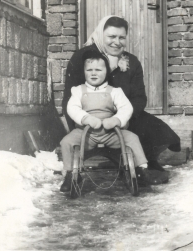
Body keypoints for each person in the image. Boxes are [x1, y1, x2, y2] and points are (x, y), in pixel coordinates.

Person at [62, 15, 181, 173]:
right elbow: (71, 98)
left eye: (121, 37)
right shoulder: (84, 58)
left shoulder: (131, 61)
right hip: (90, 118)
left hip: (122, 117)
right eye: (111, 36)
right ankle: (73, 172)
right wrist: (79, 123)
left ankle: (146, 161)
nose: (116, 42)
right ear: (100, 35)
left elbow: (139, 98)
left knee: (159, 131)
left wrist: (122, 118)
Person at [60, 50, 168, 192]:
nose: (93, 73)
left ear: (106, 72)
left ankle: (141, 169)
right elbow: (72, 108)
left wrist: (116, 119)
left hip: (111, 132)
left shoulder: (115, 91)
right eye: (89, 70)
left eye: (98, 70)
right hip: (86, 133)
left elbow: (126, 108)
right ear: (84, 72)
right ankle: (69, 174)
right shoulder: (78, 91)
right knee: (66, 142)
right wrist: (86, 118)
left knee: (132, 138)